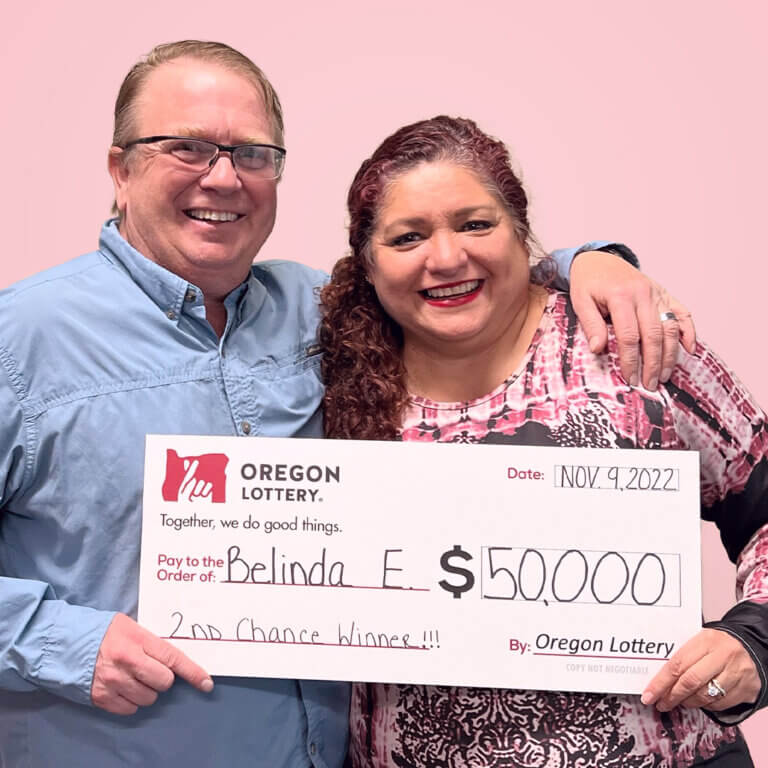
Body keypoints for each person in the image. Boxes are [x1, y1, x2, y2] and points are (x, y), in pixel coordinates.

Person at [0, 40, 693, 767]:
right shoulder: (20, 339)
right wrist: (63, 643)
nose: (224, 177)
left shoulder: (316, 309)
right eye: (188, 148)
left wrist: (589, 262)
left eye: (253, 154)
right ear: (120, 170)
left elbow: (447, 276)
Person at [319, 115, 768, 767]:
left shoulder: (630, 342)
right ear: (367, 260)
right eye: (407, 236)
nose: (446, 258)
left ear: (520, 231)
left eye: (475, 224)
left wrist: (755, 641)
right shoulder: (324, 381)